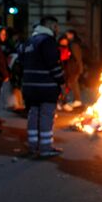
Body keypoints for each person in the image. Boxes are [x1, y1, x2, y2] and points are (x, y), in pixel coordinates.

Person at [21, 16, 65, 157]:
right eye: (56, 26)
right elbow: (53, 64)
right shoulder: (47, 41)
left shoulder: (29, 41)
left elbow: (21, 61)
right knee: (46, 116)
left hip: (29, 86)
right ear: (51, 26)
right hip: (46, 86)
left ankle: (32, 145)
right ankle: (46, 148)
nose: (58, 29)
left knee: (33, 115)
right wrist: (62, 82)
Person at [62, 29, 84, 109]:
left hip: (74, 68)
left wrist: (79, 68)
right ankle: (75, 100)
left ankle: (77, 101)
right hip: (73, 67)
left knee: (72, 83)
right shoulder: (73, 44)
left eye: (67, 34)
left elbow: (77, 58)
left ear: (72, 35)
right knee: (71, 83)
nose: (66, 36)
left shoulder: (73, 45)